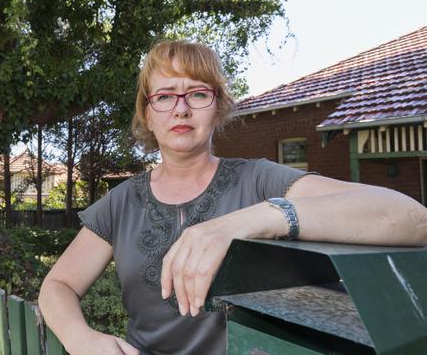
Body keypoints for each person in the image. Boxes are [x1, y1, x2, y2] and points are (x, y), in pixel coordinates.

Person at [38, 40, 427, 355]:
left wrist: (258, 217)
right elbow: (58, 287)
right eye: (165, 96)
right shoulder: (119, 203)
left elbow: (411, 218)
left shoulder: (260, 180)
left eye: (198, 93)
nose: (182, 108)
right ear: (147, 112)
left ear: (218, 106)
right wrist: (81, 339)